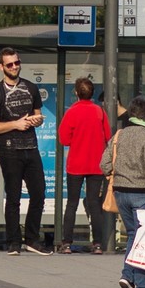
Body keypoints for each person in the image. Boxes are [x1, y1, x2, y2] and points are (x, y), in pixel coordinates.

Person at [0, 47, 50, 255]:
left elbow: (37, 115)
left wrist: (35, 121)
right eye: (10, 64)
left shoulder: (31, 88)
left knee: (39, 193)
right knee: (13, 197)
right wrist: (15, 124)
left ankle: (32, 239)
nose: (14, 67)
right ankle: (13, 241)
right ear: (1, 66)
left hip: (31, 147)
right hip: (9, 150)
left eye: (17, 63)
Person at [102, 95, 145, 288]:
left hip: (120, 193)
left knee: (134, 234)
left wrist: (115, 174)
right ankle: (139, 285)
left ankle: (128, 276)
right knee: (143, 240)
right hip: (141, 194)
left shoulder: (119, 135)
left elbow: (104, 163)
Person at [58, 77, 111, 255]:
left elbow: (64, 139)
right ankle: (97, 243)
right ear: (92, 93)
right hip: (96, 164)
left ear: (76, 93)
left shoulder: (71, 113)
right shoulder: (99, 112)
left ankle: (66, 243)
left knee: (72, 203)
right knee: (94, 204)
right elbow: (108, 136)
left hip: (76, 164)